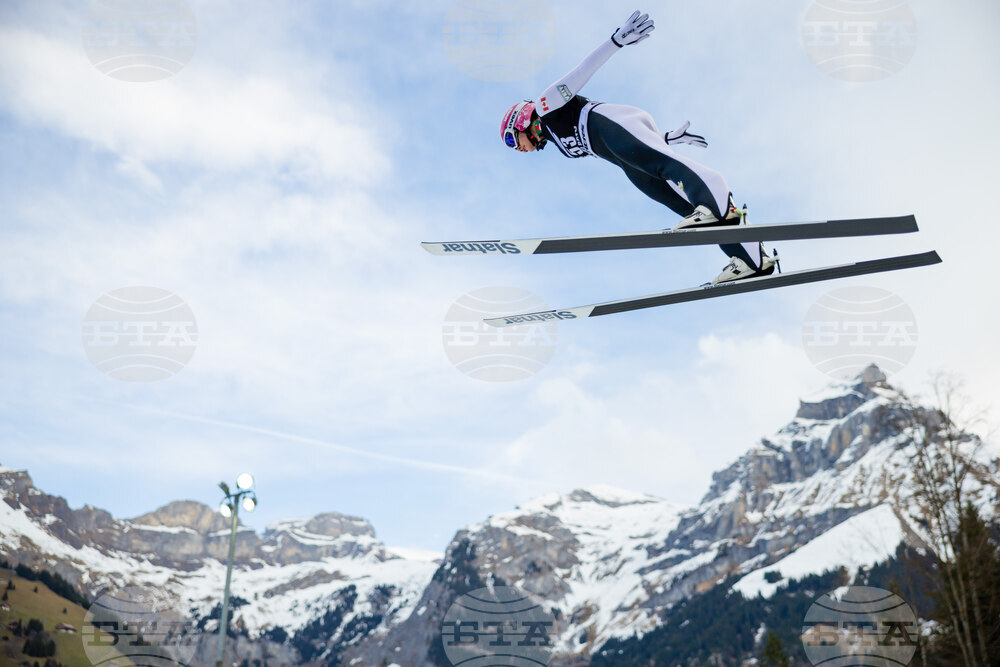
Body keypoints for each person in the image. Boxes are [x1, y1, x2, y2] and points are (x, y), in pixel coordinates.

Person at [500, 10, 778, 284]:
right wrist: (667, 138)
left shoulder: (546, 105)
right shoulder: (556, 141)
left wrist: (616, 42)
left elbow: (580, 73)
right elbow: (637, 148)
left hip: (613, 125)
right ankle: (752, 258)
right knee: (682, 206)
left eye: (513, 140)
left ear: (521, 120)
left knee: (674, 175)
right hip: (622, 156)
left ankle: (715, 191)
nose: (517, 149)